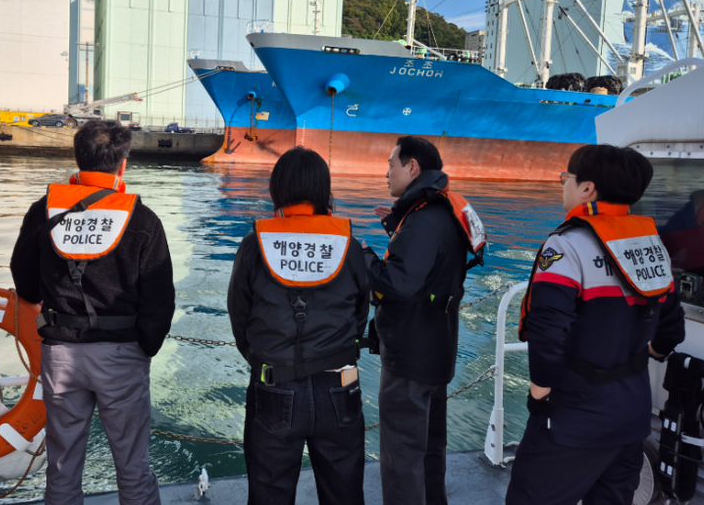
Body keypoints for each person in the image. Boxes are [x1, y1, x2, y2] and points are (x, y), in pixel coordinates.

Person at [507, 144, 685, 505]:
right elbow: (672, 331)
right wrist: (644, 352)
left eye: (566, 178)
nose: (563, 185)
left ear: (587, 189)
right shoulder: (651, 245)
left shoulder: (567, 245)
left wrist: (541, 394)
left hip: (574, 418)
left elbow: (545, 328)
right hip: (631, 415)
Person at [11, 119, 174, 505]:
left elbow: (25, 280)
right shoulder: (143, 219)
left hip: (61, 353)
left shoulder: (43, 211)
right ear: (123, 164)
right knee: (132, 466)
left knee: (63, 466)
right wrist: (143, 347)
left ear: (77, 158)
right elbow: (160, 298)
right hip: (121, 354)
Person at [227, 146, 371, 505]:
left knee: (269, 493)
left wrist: (265, 360)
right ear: (324, 190)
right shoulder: (348, 247)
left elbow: (239, 315)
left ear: (278, 189)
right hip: (340, 385)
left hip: (274, 385)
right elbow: (360, 313)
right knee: (344, 493)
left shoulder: (254, 244)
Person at [362, 136, 485, 505]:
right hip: (437, 351)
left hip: (409, 361)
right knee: (430, 451)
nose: (387, 173)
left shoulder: (423, 220)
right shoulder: (442, 212)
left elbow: (397, 283)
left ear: (412, 167)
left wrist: (363, 255)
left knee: (402, 460)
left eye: (391, 164)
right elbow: (430, 272)